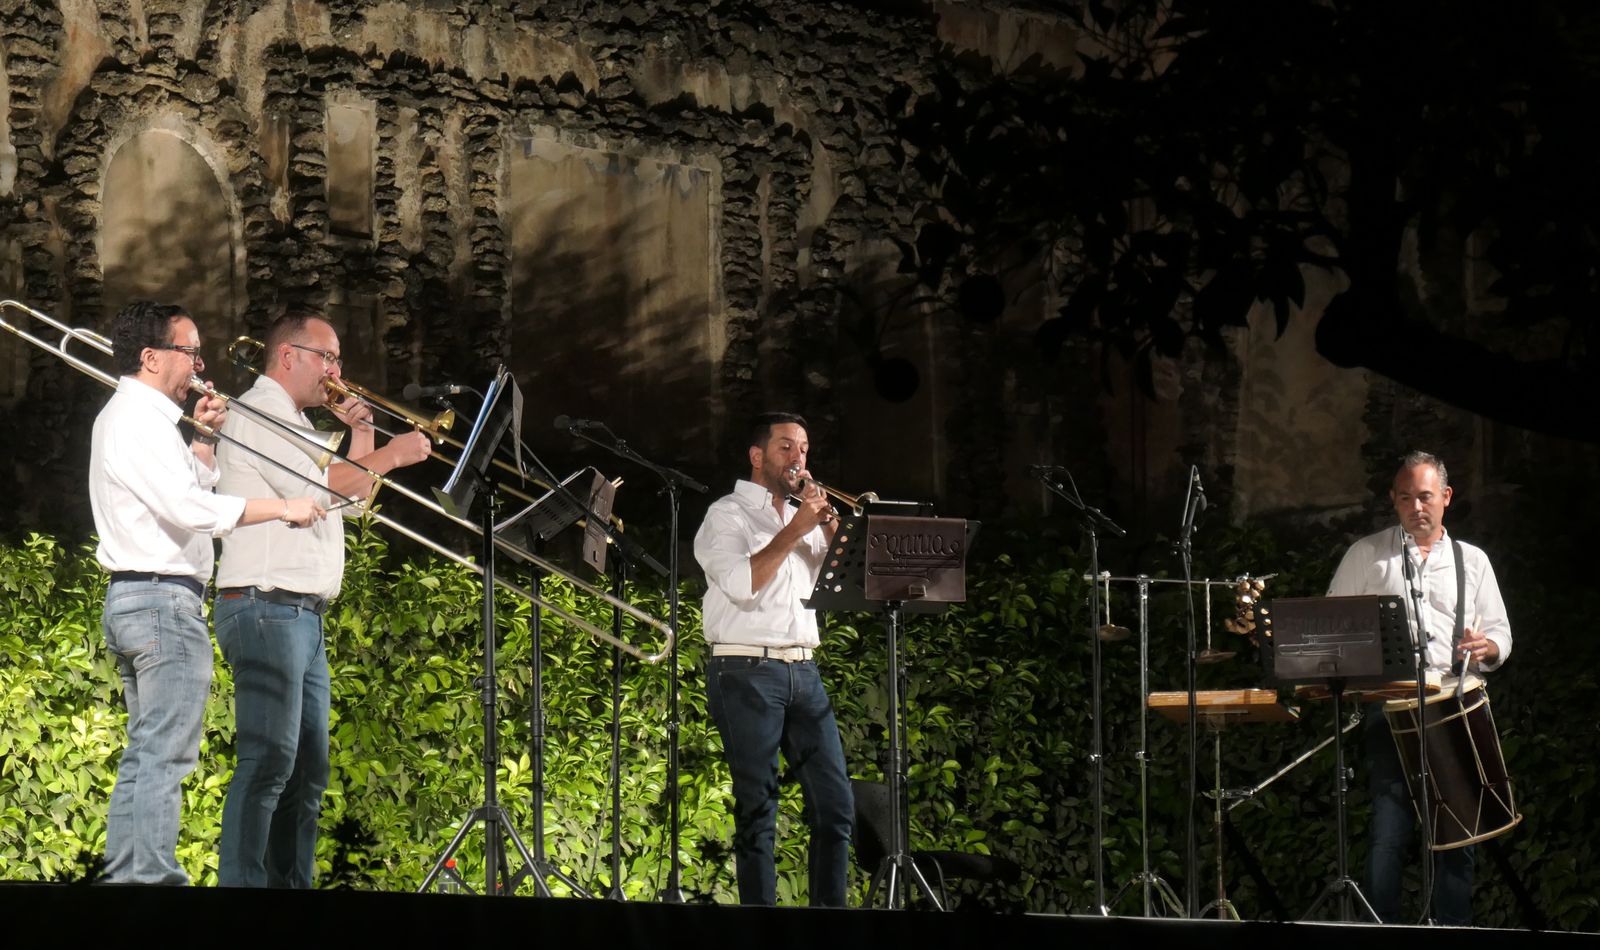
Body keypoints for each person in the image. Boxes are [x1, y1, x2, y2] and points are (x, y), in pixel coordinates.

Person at [89, 300, 324, 885]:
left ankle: (128, 879)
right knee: (165, 754)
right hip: (161, 599)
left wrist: (203, 441)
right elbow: (191, 510)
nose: (199, 364)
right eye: (189, 351)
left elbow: (181, 492)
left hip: (145, 597)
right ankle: (151, 881)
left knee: (148, 753)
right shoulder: (137, 418)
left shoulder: (144, 419)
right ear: (151, 358)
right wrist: (282, 508)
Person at [212, 314, 432, 887]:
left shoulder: (298, 423)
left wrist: (364, 435)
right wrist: (393, 455)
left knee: (307, 773)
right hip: (266, 604)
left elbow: (350, 501)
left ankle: (291, 892)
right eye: (327, 357)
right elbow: (319, 490)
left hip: (301, 614)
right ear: (288, 355)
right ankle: (241, 892)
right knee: (268, 763)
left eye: (337, 359)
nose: (336, 371)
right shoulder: (258, 412)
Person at [1327, 450, 1512, 925]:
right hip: (1389, 706)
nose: (1416, 507)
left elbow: (1500, 633)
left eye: (1425, 496)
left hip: (1453, 703)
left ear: (1446, 497)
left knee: (1459, 831)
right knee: (1389, 829)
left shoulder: (1473, 560)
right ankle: (1381, 929)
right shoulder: (1367, 555)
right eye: (1406, 497)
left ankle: (1452, 930)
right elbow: (1332, 623)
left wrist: (1488, 646)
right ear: (1393, 499)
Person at [693, 411, 854, 906]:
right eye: (786, 447)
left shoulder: (804, 516)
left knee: (836, 807)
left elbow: (845, 583)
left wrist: (830, 527)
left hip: (804, 670)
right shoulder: (727, 514)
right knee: (759, 808)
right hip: (745, 670)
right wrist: (794, 531)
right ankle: (759, 924)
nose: (797, 457)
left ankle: (829, 922)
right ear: (757, 456)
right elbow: (742, 584)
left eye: (803, 448)